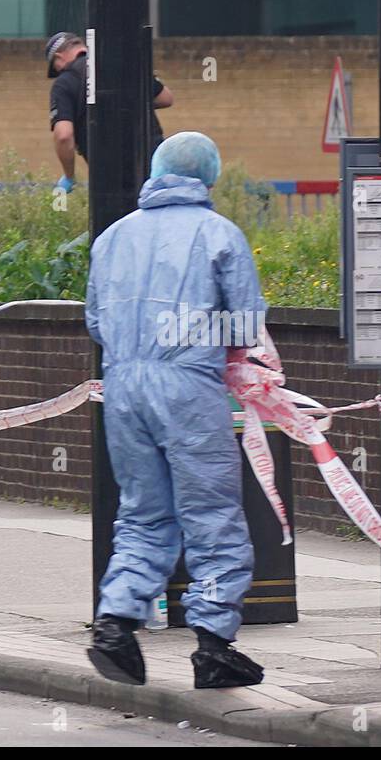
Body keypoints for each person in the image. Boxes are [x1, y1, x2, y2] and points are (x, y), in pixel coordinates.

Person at [85, 131, 267, 689]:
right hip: (188, 386)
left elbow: (94, 320)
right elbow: (245, 324)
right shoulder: (219, 234)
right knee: (212, 517)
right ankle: (214, 644)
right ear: (207, 179)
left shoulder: (113, 237)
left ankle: (116, 623)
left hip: (122, 386)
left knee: (143, 514)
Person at [46, 30, 173, 193]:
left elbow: (63, 136)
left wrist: (69, 176)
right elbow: (166, 98)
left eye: (56, 68)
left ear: (58, 57)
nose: (59, 71)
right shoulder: (123, 64)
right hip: (155, 164)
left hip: (111, 176)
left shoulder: (64, 83)